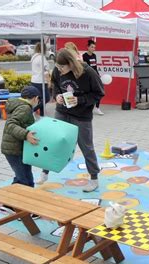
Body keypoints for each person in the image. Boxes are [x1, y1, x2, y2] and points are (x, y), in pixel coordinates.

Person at [38, 49, 104, 192]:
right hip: (62, 112)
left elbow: (99, 93)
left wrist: (79, 100)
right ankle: (45, 171)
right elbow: (54, 84)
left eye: (62, 67)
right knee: (53, 141)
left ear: (71, 64)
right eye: (57, 67)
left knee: (86, 147)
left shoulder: (88, 73)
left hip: (82, 116)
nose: (59, 70)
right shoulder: (57, 70)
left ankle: (94, 178)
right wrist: (57, 96)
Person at [0, 86, 41, 219]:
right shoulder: (25, 108)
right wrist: (26, 134)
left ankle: (8, 205)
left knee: (20, 176)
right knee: (26, 180)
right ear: (35, 98)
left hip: (15, 149)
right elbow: (11, 124)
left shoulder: (18, 105)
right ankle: (24, 210)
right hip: (15, 150)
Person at [82, 40, 104, 116]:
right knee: (89, 93)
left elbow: (95, 67)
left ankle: (97, 108)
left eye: (94, 47)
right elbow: (84, 67)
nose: (93, 48)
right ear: (87, 47)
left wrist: (98, 75)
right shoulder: (84, 56)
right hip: (87, 77)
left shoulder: (94, 55)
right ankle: (87, 108)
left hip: (95, 76)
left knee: (99, 91)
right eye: (92, 47)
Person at [30, 42, 50, 116]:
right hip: (41, 81)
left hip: (34, 80)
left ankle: (42, 114)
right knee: (46, 98)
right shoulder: (42, 58)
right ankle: (32, 110)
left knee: (40, 99)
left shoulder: (34, 57)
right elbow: (46, 71)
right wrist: (49, 81)